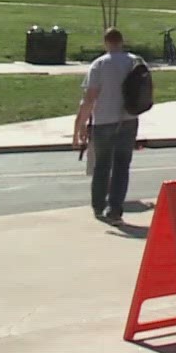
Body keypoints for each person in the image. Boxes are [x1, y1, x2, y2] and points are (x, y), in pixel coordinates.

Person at [73, 28, 139, 224]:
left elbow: (90, 99)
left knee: (102, 165)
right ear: (122, 41)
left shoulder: (99, 64)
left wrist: (79, 127)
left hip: (104, 121)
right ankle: (115, 209)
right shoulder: (135, 61)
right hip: (129, 119)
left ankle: (99, 206)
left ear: (106, 42)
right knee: (122, 165)